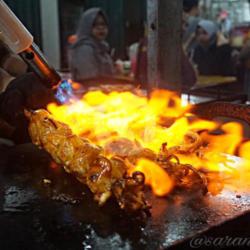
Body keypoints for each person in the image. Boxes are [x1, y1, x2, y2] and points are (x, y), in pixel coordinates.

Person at [69, 8, 115, 82]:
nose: (101, 28)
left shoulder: (102, 47)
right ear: (86, 27)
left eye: (103, 24)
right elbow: (89, 80)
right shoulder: (84, 49)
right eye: (95, 25)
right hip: (88, 92)